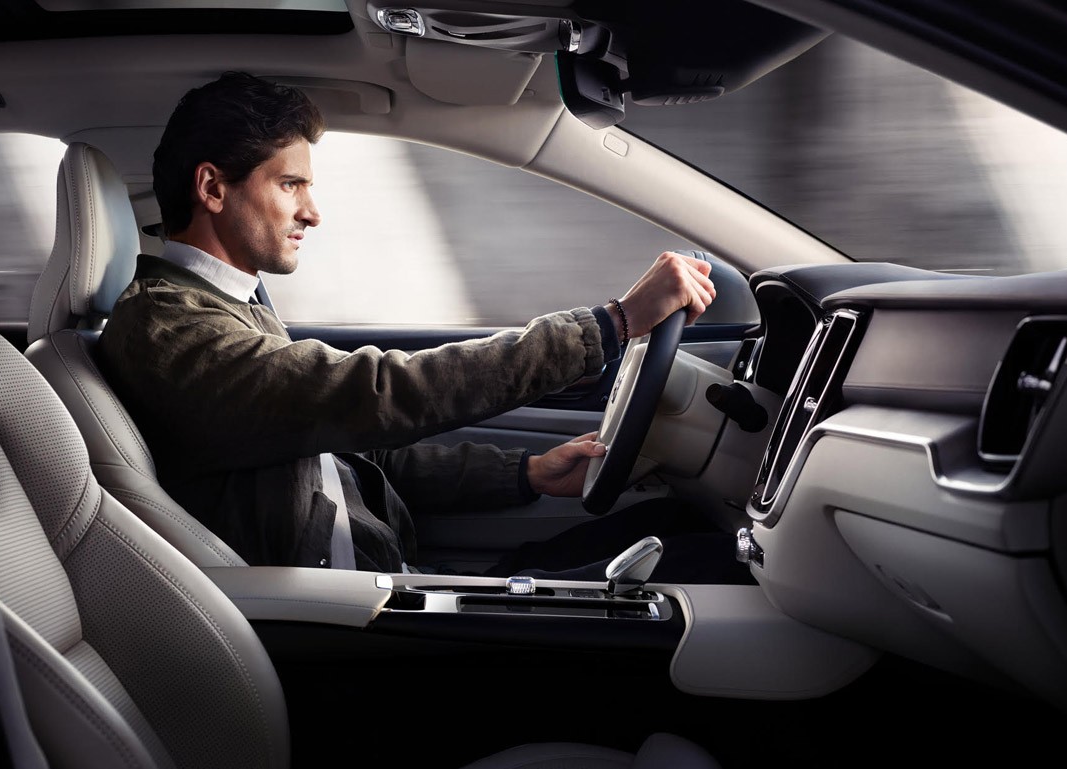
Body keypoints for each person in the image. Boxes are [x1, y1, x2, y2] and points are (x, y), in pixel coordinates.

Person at [97, 71, 752, 584]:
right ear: (213, 189)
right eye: (291, 185)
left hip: (390, 579)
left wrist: (526, 473)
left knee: (674, 527)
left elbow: (362, 454)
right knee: (704, 567)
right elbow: (376, 393)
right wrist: (612, 323)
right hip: (345, 617)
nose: (313, 212)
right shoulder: (167, 331)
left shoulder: (227, 305)